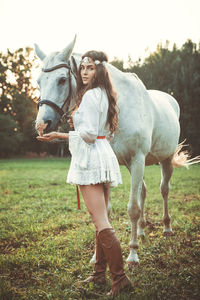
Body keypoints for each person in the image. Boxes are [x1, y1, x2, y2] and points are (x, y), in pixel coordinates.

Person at [37, 51, 132, 296]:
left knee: (101, 222)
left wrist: (59, 135)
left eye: (90, 68)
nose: (85, 72)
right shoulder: (104, 95)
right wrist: (77, 123)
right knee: (102, 219)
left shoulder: (90, 96)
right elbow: (102, 131)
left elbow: (88, 135)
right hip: (103, 153)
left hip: (91, 158)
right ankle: (99, 274)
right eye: (83, 68)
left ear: (99, 71)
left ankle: (120, 279)